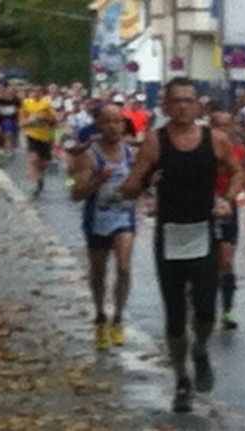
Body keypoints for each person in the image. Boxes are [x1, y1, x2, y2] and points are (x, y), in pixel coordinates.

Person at [121, 77, 243, 412]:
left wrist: (227, 199)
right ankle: (181, 380)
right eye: (177, 101)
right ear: (166, 105)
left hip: (202, 231)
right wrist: (144, 182)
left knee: (206, 310)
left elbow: (238, 172)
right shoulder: (155, 142)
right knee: (175, 317)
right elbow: (130, 186)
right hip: (170, 234)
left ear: (198, 105)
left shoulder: (214, 139)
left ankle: (200, 347)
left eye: (189, 100)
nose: (184, 107)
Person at [67, 103, 135, 349]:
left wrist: (147, 186)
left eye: (118, 121)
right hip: (97, 219)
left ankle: (118, 318)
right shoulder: (88, 155)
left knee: (124, 267)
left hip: (123, 217)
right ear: (98, 125)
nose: (113, 126)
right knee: (98, 272)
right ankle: (99, 316)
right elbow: (75, 194)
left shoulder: (130, 153)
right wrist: (98, 179)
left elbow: (139, 184)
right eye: (108, 122)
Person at [209, 107, 245, 330]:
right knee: (206, 259)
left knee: (225, 258)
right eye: (218, 125)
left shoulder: (238, 151)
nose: (223, 129)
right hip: (202, 207)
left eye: (227, 125)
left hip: (226, 207)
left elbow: (242, 176)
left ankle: (227, 309)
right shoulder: (201, 148)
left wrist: (230, 197)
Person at [20, 85, 57, 199]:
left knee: (42, 163)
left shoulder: (46, 104)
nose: (35, 93)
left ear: (42, 93)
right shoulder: (26, 103)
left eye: (38, 91)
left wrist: (44, 119)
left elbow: (54, 122)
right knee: (33, 159)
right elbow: (21, 121)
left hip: (45, 137)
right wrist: (28, 121)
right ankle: (34, 183)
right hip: (31, 135)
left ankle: (40, 179)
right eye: (33, 91)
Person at [0, 84, 21, 157]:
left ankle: (10, 149)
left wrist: (19, 121)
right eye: (8, 92)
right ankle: (1, 147)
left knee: (9, 134)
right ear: (5, 92)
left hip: (11, 120)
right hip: (0, 120)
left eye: (12, 92)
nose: (10, 94)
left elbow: (19, 111)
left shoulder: (16, 100)